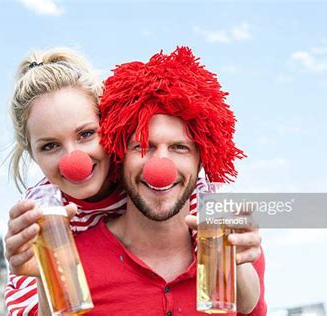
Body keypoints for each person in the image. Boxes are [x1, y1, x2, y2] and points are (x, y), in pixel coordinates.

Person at [3, 48, 206, 315]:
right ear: (32, 154)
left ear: (110, 126)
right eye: (50, 146)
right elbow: (31, 307)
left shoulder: (142, 171)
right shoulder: (40, 212)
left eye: (86, 134)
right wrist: (44, 272)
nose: (73, 161)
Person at [65, 46, 266, 315]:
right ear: (119, 157)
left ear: (201, 161)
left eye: (179, 147)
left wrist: (239, 263)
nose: (160, 167)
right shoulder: (71, 261)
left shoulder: (234, 249)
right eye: (143, 147)